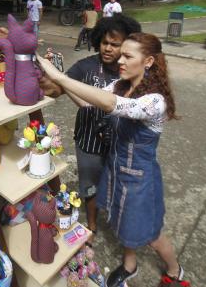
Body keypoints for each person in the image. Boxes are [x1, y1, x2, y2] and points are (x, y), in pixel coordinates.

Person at [38, 32, 189, 287]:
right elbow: (88, 102)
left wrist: (60, 77)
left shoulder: (155, 101)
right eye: (122, 54)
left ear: (149, 61)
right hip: (117, 169)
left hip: (140, 179)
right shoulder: (120, 84)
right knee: (122, 221)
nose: (120, 60)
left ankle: (175, 270)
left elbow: (109, 105)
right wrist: (50, 73)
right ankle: (130, 265)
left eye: (128, 56)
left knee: (150, 233)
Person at [40, 15, 142, 243]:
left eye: (115, 45)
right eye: (105, 42)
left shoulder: (129, 72)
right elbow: (57, 90)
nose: (108, 48)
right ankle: (93, 225)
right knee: (89, 187)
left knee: (118, 185)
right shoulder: (85, 66)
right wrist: (44, 75)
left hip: (120, 142)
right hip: (87, 141)